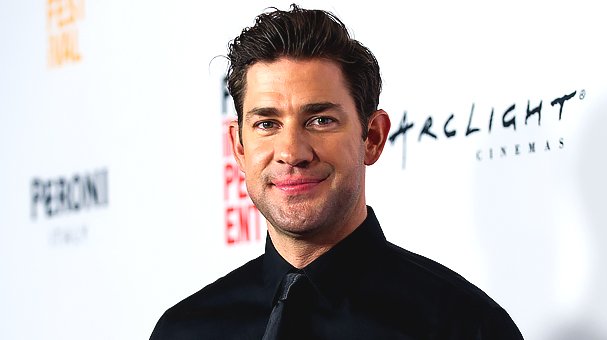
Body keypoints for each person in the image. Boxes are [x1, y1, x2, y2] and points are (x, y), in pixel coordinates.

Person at [150, 4, 523, 339]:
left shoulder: (464, 326)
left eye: (320, 120)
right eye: (267, 123)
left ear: (372, 137)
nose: (292, 152)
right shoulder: (183, 330)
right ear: (239, 147)